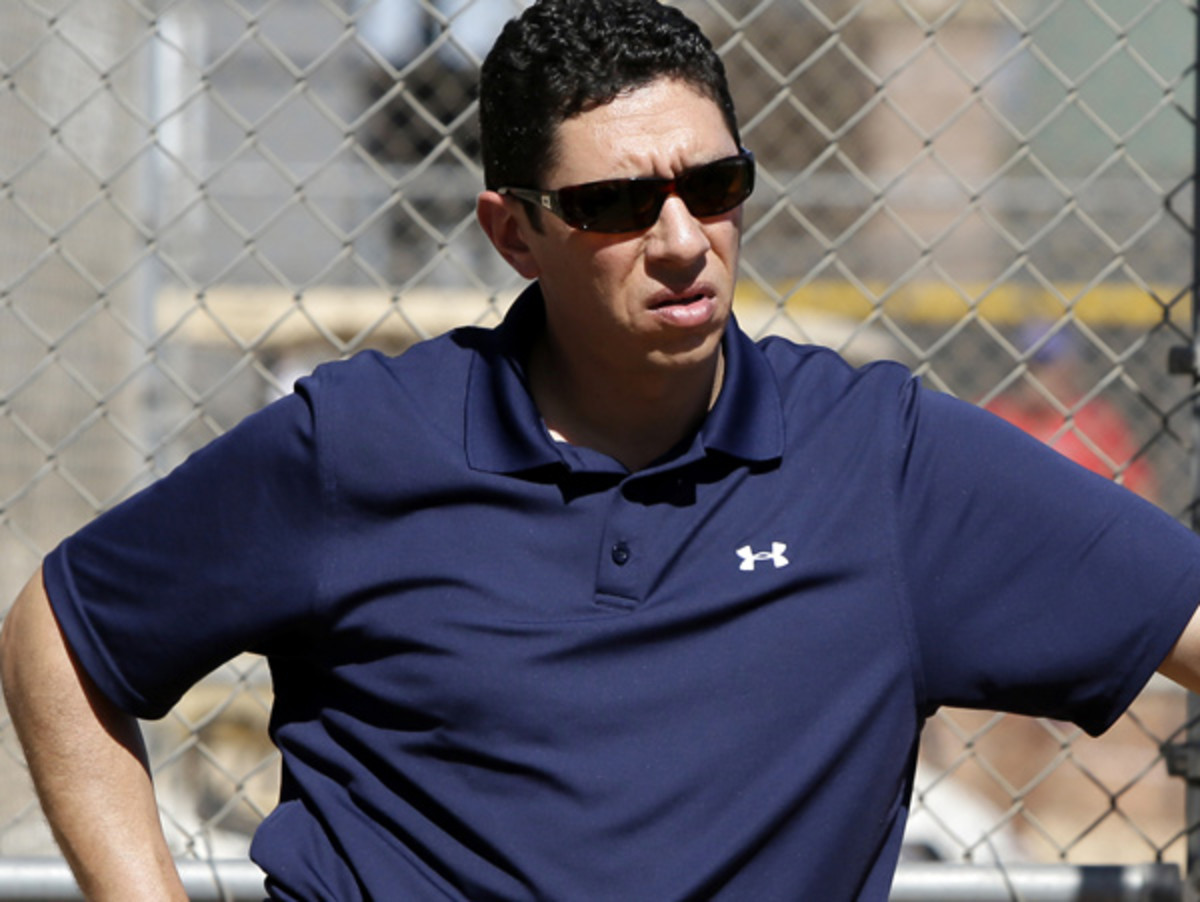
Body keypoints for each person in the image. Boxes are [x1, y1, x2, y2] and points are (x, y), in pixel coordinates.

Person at [4, 1, 1200, 899]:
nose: (682, 239)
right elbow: (64, 632)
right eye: (619, 205)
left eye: (714, 183)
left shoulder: (878, 461)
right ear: (514, 232)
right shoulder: (359, 444)